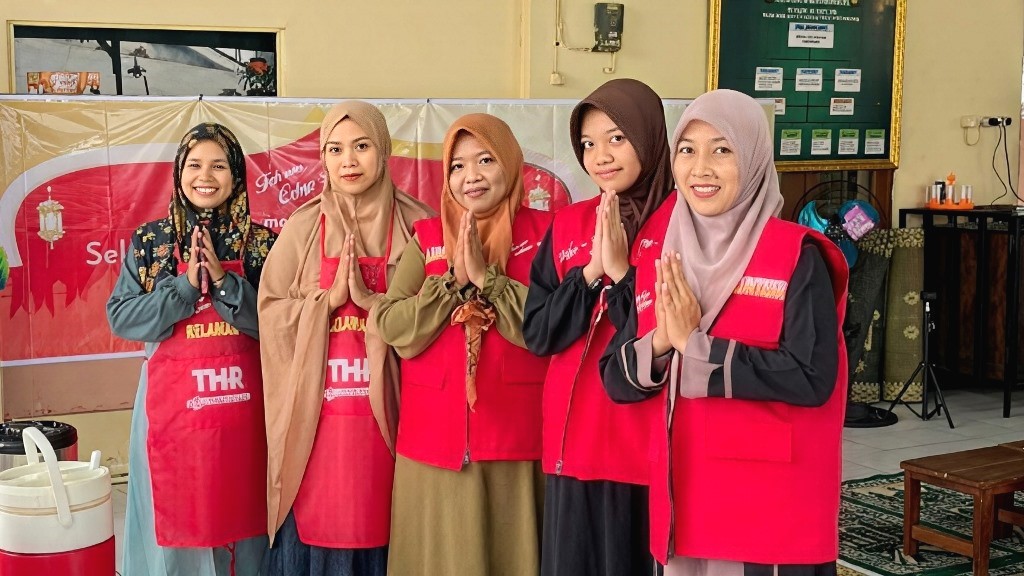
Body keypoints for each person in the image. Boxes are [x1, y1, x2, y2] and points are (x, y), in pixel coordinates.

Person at [603, 89, 849, 576]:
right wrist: (662, 342)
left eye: (722, 150)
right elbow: (614, 377)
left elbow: (813, 378)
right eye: (687, 150)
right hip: (685, 494)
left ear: (753, 159)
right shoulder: (660, 255)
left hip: (767, 506)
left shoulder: (796, 256)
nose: (701, 169)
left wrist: (697, 348)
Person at [257, 101, 433, 576]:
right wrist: (327, 303)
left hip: (395, 418)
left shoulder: (420, 225)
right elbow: (271, 315)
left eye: (361, 146)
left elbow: (437, 318)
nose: (348, 161)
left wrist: (375, 304)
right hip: (317, 427)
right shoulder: (302, 228)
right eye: (334, 150)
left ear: (384, 151)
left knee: (395, 526)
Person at [373, 113, 551, 576]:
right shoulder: (429, 238)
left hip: (516, 443)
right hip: (432, 446)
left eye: (486, 160)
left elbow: (553, 330)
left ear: (510, 162)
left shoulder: (547, 235)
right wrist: (452, 282)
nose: (471, 176)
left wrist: (488, 281)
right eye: (457, 165)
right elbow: (390, 324)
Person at [107, 122, 277, 575]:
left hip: (246, 414)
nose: (205, 176)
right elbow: (122, 317)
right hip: (171, 415)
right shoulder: (151, 242)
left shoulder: (263, 244)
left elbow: (280, 325)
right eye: (195, 165)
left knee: (247, 518)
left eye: (219, 165)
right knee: (174, 519)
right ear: (179, 172)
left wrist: (223, 282)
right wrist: (183, 288)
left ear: (236, 175)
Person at [523, 78, 675, 576]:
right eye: (588, 144)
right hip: (573, 441)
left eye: (617, 138)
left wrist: (623, 273)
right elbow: (539, 334)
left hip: (644, 445)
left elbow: (671, 334)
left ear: (649, 137)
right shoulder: (569, 222)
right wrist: (590, 274)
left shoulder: (685, 224)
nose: (600, 157)